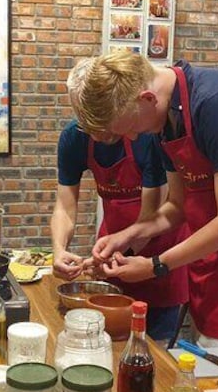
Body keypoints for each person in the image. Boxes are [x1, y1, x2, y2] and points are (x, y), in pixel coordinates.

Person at [73, 51, 218, 347]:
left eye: (131, 128)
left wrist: (156, 265)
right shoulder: (166, 120)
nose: (132, 138)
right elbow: (177, 207)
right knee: (209, 346)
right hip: (212, 243)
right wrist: (127, 236)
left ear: (147, 98)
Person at [51, 60, 188, 340]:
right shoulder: (73, 139)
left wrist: (102, 260)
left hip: (156, 253)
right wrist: (59, 249)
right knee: (107, 341)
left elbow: (151, 215)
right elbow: (65, 206)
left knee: (153, 349)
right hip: (114, 250)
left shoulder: (145, 135)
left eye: (100, 122)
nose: (97, 133)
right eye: (88, 124)